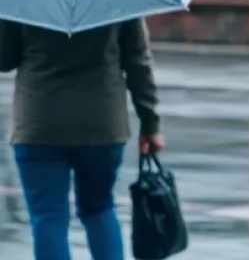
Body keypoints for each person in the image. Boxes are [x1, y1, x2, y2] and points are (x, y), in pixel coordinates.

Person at [0, 19, 163, 260]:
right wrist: (150, 123)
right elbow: (138, 61)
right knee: (100, 209)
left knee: (48, 216)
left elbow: (4, 60)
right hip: (102, 122)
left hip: (39, 122)